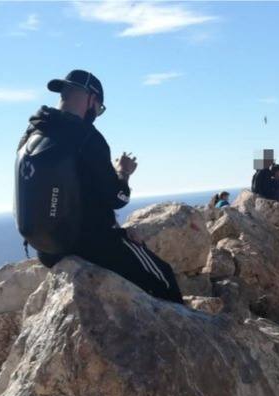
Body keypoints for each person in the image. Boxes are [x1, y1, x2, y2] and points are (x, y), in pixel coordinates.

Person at [17, 70, 182, 303]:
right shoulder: (87, 137)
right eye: (100, 108)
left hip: (47, 249)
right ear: (92, 99)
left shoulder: (33, 132)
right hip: (89, 243)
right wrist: (123, 173)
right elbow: (118, 197)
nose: (97, 113)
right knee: (163, 277)